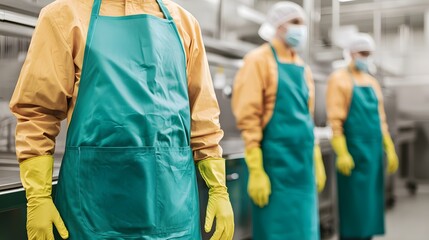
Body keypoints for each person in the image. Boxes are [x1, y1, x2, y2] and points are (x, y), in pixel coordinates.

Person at [9, 0, 234, 239]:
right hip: (92, 209)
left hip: (173, 207)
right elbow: (38, 112)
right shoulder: (64, 16)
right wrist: (38, 197)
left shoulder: (185, 23)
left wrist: (218, 188)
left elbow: (203, 116)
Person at [232, 2, 326, 239]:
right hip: (274, 167)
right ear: (278, 25)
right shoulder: (257, 60)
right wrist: (256, 169)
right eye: (294, 22)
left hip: (303, 166)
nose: (300, 29)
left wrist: (315, 157)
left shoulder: (303, 68)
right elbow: (248, 117)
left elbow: (308, 115)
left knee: (305, 231)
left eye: (302, 24)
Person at [326, 33, 399, 240]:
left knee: (371, 206)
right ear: (350, 53)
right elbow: (336, 121)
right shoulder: (338, 79)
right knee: (354, 209)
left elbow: (381, 119)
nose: (366, 58)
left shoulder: (372, 82)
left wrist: (389, 147)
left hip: (374, 153)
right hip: (353, 152)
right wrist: (342, 152)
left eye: (369, 54)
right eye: (362, 53)